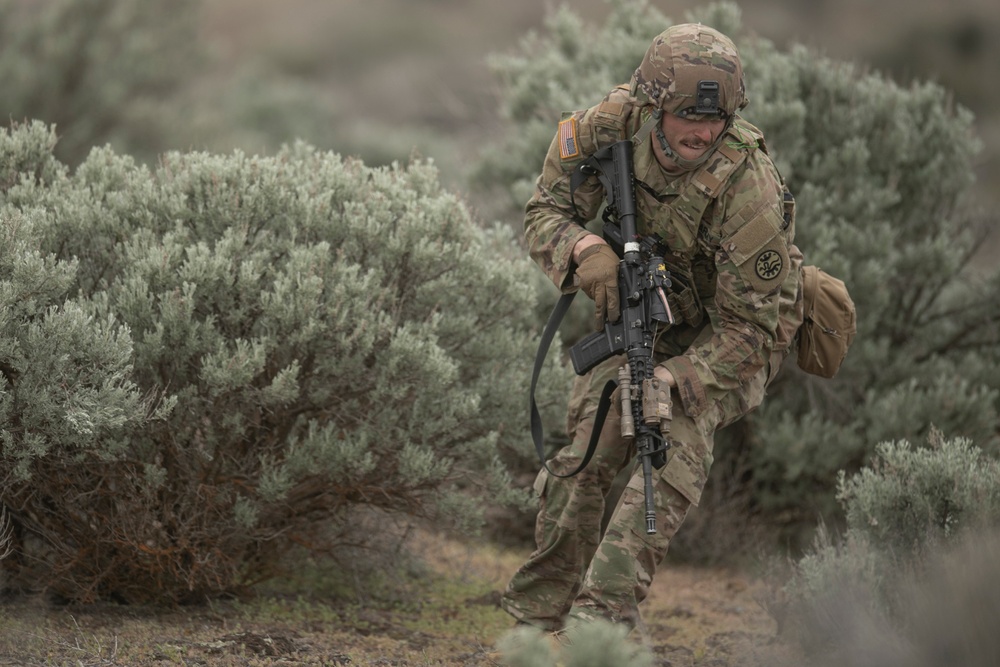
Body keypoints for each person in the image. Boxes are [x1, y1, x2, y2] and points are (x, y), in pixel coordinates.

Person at [500, 23, 804, 634]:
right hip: (640, 317)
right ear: (654, 103)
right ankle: (537, 609)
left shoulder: (752, 191)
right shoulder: (605, 128)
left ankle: (601, 622)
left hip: (725, 340)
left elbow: (751, 329)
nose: (702, 132)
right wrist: (584, 247)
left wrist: (677, 376)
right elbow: (543, 212)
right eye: (687, 116)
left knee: (665, 457)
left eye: (715, 120)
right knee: (585, 455)